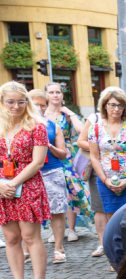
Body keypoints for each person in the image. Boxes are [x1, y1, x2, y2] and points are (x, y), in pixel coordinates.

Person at [0, 81, 51, 279]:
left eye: (21, 102)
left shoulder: (36, 126)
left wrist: (14, 182)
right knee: (11, 237)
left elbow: (38, 162)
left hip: (28, 185)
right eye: (10, 102)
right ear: (2, 102)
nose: (15, 106)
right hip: (3, 187)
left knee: (30, 236)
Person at [44, 82, 91, 242]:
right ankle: (55, 230)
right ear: (46, 95)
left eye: (58, 92)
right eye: (51, 92)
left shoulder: (66, 114)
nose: (55, 95)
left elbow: (81, 130)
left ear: (62, 95)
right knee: (51, 191)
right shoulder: (41, 115)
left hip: (68, 156)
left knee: (71, 191)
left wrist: (70, 113)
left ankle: (71, 229)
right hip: (49, 155)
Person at [88, 88, 126, 219]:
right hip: (106, 180)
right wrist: (105, 180)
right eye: (113, 105)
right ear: (105, 105)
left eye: (120, 105)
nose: (116, 109)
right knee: (112, 218)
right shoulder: (95, 128)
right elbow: (94, 157)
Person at [28, 89, 69, 263]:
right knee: (29, 213)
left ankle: (58, 248)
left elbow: (63, 153)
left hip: (52, 171)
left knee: (57, 211)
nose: (39, 107)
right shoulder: (22, 126)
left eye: (42, 104)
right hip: (29, 174)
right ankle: (28, 249)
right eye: (35, 104)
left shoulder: (53, 126)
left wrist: (49, 146)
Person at [76, 111, 108, 257]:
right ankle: (102, 243)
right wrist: (99, 147)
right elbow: (80, 141)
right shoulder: (95, 118)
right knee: (99, 207)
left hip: (121, 170)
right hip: (97, 168)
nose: (114, 107)